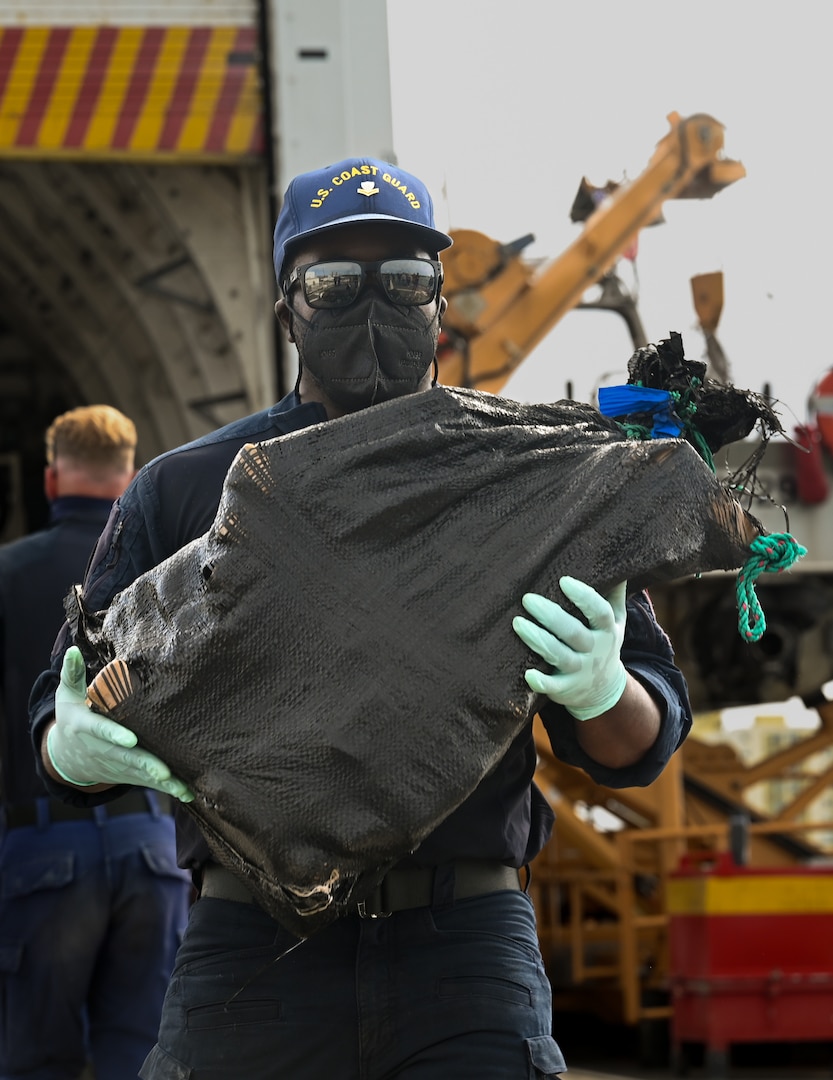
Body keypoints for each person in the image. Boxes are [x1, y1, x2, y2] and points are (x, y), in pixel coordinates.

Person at [29, 159, 693, 1079]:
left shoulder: (527, 478)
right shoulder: (187, 490)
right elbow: (62, 701)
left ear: (440, 303)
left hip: (463, 950)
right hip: (251, 954)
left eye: (405, 281)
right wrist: (71, 747)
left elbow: (645, 740)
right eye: (335, 282)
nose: (372, 304)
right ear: (286, 307)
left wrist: (606, 686)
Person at [0, 406, 192, 1080]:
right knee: (140, 1057)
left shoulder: (9, 575)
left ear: (51, 482)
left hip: (40, 848)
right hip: (153, 845)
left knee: (35, 1063)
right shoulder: (170, 576)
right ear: (133, 478)